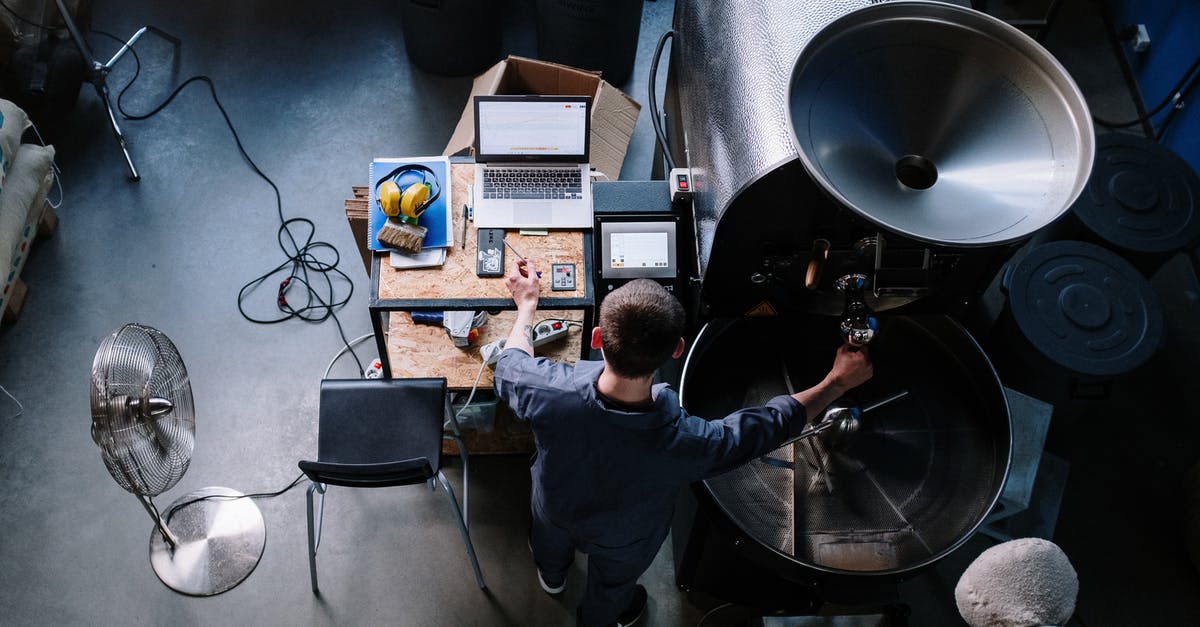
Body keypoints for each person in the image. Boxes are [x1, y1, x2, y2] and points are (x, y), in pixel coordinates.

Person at [493, 260, 873, 627]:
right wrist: (836, 383)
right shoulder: (690, 442)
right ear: (677, 349)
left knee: (549, 544)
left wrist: (527, 305)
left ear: (597, 339)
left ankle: (552, 576)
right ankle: (598, 618)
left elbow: (510, 363)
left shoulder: (547, 390)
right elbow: (770, 425)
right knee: (613, 584)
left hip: (555, 507)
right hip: (627, 535)